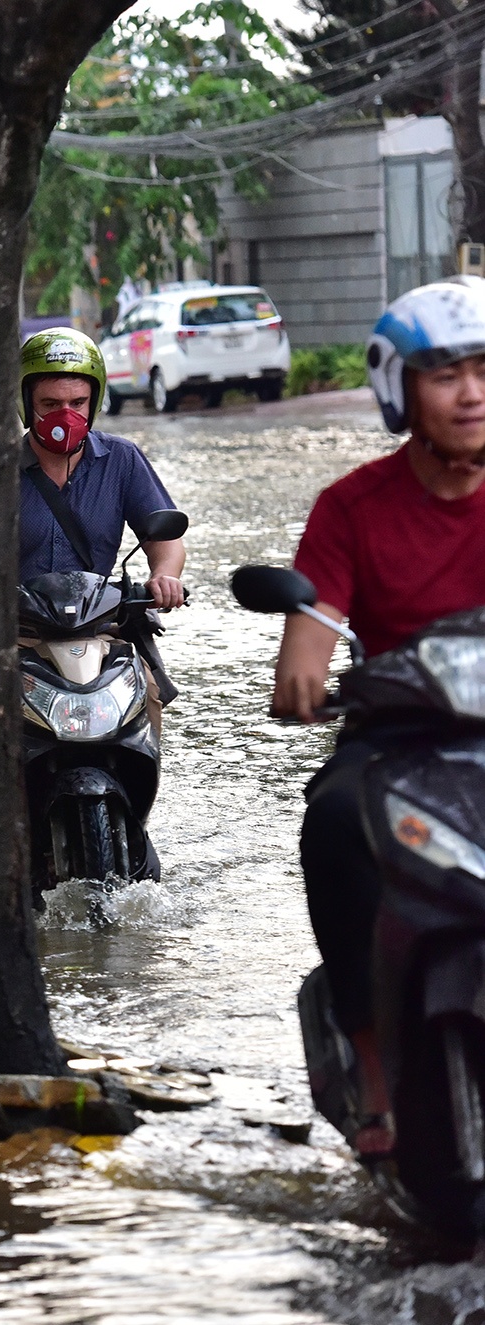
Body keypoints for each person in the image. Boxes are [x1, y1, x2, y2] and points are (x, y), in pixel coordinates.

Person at [272, 279, 485, 1161]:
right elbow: (310, 639)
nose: (471, 393)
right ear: (402, 390)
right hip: (398, 741)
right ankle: (372, 1067)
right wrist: (304, 678)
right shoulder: (352, 506)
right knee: (331, 820)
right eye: (446, 374)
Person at [17, 327, 187, 606]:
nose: (65, 416)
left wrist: (164, 576)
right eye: (50, 404)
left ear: (93, 403)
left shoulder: (122, 459)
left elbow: (165, 541)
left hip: (99, 620)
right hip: (15, 623)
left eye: (78, 403)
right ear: (26, 404)